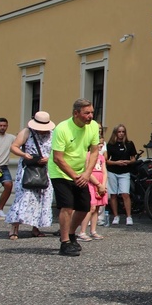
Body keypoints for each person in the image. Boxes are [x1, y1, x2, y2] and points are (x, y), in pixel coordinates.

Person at [49, 99, 100, 257]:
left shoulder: (92, 126)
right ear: (76, 113)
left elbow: (94, 152)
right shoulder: (62, 128)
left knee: (84, 206)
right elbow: (57, 158)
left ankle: (71, 234)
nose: (90, 116)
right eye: (87, 113)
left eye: (91, 112)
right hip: (60, 171)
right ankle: (64, 243)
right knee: (67, 206)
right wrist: (74, 176)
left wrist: (86, 174)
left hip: (80, 171)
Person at [5, 112, 55, 240]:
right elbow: (14, 147)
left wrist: (48, 159)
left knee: (42, 199)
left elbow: (56, 151)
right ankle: (14, 228)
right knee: (23, 198)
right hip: (29, 169)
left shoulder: (53, 134)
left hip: (44, 170)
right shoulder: (27, 132)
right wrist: (24, 154)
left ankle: (36, 228)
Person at [104, 124, 137, 226]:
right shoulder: (110, 145)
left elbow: (133, 158)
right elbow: (106, 160)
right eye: (119, 132)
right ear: (115, 133)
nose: (121, 134)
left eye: (123, 132)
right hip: (112, 171)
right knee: (113, 194)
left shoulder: (129, 144)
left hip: (125, 172)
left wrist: (128, 161)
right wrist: (116, 162)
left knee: (125, 194)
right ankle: (116, 216)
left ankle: (129, 217)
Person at [76, 138, 108, 241]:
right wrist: (98, 184)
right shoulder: (88, 155)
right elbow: (87, 171)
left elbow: (104, 171)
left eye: (102, 144)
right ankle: (82, 231)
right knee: (91, 207)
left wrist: (103, 184)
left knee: (97, 208)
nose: (101, 146)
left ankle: (93, 230)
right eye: (99, 144)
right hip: (91, 183)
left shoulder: (101, 157)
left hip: (100, 184)